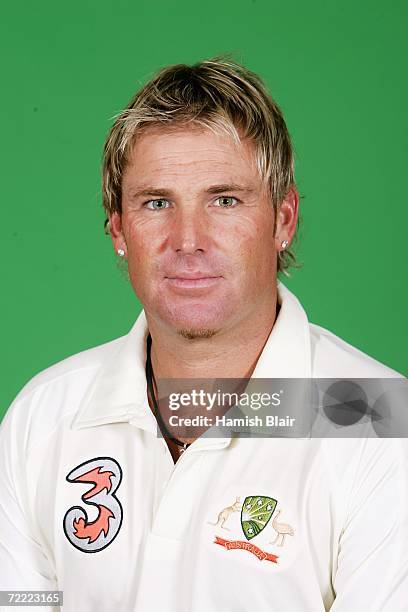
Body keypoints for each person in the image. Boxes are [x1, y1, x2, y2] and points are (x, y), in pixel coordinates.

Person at [0, 57, 407, 612]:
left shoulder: (383, 425)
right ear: (118, 228)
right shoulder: (42, 417)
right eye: (157, 202)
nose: (187, 240)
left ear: (283, 220)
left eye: (225, 200)